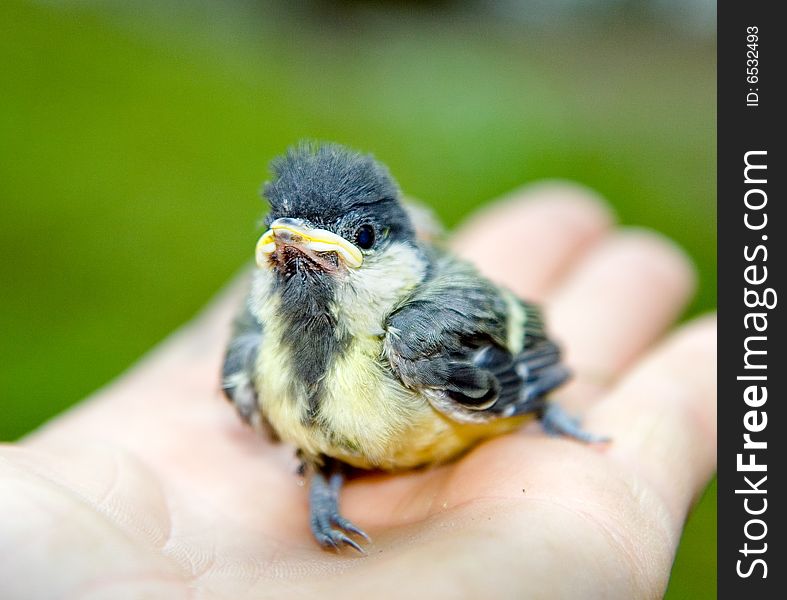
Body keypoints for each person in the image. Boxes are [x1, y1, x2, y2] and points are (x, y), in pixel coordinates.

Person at [0, 183, 716, 598]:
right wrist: (323, 480)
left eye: (359, 237)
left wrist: (543, 406)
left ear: (400, 252)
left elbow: (526, 354)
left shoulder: (428, 337)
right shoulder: (254, 355)